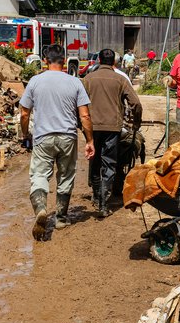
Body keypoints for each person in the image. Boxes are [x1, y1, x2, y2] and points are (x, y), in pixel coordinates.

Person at [19, 45, 95, 241]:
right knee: (66, 176)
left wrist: (26, 134)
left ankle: (42, 209)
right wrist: (90, 140)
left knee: (39, 175)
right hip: (68, 137)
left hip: (43, 137)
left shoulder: (35, 81)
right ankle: (61, 218)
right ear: (64, 61)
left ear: (45, 60)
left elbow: (24, 113)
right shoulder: (75, 82)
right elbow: (85, 116)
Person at [83, 49, 143, 217]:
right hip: (112, 128)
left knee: (94, 162)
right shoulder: (120, 79)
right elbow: (136, 103)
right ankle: (103, 203)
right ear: (114, 63)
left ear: (99, 60)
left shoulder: (87, 79)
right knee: (109, 163)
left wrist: (81, 124)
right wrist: (136, 122)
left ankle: (95, 196)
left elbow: (78, 104)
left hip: (92, 128)